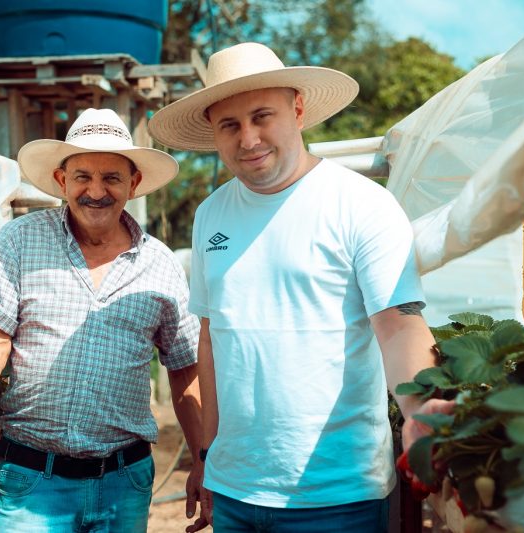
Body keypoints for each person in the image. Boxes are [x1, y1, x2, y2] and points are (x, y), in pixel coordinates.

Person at [148, 42, 453, 532]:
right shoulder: (211, 215)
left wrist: (420, 410)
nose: (248, 138)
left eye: (261, 116)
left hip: (336, 492)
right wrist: (206, 454)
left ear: (297, 109)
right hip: (234, 489)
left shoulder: (361, 204)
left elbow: (398, 325)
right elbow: (211, 338)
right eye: (230, 125)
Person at [0, 108, 207, 532]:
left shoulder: (161, 264)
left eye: (112, 177)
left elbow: (185, 369)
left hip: (124, 482)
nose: (96, 191)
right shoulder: (20, 241)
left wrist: (203, 459)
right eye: (82, 176)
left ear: (133, 183)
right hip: (32, 480)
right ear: (62, 180)